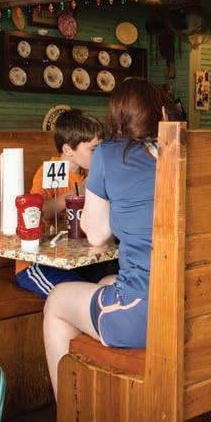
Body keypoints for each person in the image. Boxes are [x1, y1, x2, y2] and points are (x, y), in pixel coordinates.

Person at [42, 78, 168, 396]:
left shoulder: (109, 154)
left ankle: (67, 414)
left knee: (57, 300)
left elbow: (96, 234)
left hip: (145, 311)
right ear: (163, 114)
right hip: (186, 301)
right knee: (105, 282)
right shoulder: (180, 151)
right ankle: (102, 398)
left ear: (116, 118)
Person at [16, 109, 111, 299]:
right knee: (87, 298)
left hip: (81, 261)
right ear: (68, 150)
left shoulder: (89, 173)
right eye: (93, 149)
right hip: (40, 263)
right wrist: (79, 191)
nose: (100, 156)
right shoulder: (48, 172)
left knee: (112, 289)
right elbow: (38, 211)